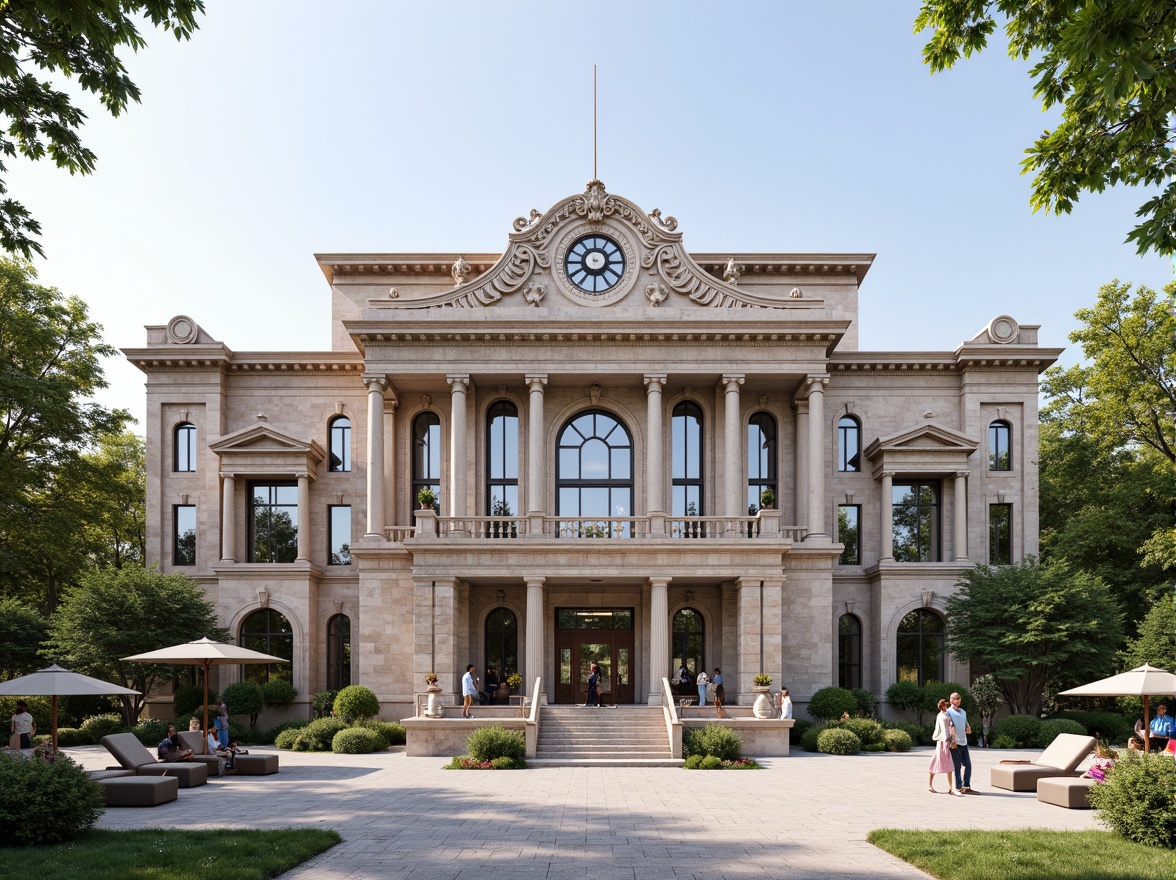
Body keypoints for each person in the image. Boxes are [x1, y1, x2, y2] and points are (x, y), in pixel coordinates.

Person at [928, 698, 960, 795]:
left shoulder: (945, 715)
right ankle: (932, 785)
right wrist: (948, 741)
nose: (947, 706)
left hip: (945, 741)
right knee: (940, 762)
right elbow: (945, 730)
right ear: (943, 706)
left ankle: (950, 787)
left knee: (947, 764)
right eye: (945, 705)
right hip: (944, 742)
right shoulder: (942, 716)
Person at [947, 691, 974, 794]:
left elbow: (966, 723)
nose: (956, 700)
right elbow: (950, 726)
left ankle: (966, 785)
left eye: (958, 699)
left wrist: (968, 727)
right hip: (954, 742)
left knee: (968, 764)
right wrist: (952, 740)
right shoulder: (948, 712)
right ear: (950, 700)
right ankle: (958, 785)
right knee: (957, 765)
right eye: (954, 698)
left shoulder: (963, 712)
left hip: (964, 741)